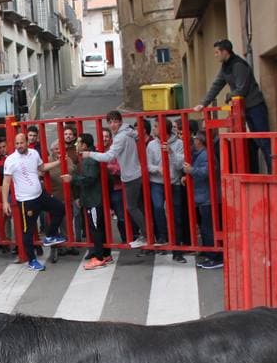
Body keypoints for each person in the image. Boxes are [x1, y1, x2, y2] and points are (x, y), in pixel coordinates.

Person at [192, 38, 270, 173]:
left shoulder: (238, 65)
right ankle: (269, 172)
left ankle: (274, 172)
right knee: (258, 140)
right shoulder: (225, 67)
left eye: (217, 52)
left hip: (256, 106)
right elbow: (216, 85)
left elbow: (242, 89)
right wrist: (203, 103)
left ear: (225, 52)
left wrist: (228, 96)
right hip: (247, 108)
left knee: (265, 141)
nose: (215, 55)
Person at [0, 132, 68, 272]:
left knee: (59, 208)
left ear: (26, 142)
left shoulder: (34, 154)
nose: (19, 146)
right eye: (17, 143)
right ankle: (31, 260)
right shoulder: (11, 160)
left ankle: (49, 235)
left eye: (21, 142)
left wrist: (59, 162)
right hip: (26, 201)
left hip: (40, 194)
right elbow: (6, 183)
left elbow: (42, 168)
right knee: (28, 231)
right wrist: (5, 202)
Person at [86, 109, 147, 248]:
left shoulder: (120, 137)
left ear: (120, 122)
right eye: (110, 122)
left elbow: (109, 156)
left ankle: (146, 235)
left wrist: (90, 154)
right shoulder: (129, 133)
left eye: (115, 121)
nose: (113, 124)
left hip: (131, 176)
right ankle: (146, 234)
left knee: (132, 208)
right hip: (133, 174)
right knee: (137, 207)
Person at [146, 119, 189, 261]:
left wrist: (171, 153)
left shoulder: (179, 144)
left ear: (165, 129)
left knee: (176, 214)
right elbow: (147, 165)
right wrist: (157, 169)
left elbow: (180, 166)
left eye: (156, 126)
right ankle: (163, 235)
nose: (154, 129)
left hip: (174, 182)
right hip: (157, 182)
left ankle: (177, 248)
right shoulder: (152, 145)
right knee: (158, 207)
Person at [72, 134, 112, 270]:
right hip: (94, 198)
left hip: (93, 199)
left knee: (95, 228)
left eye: (78, 143)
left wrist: (72, 179)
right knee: (99, 227)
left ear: (84, 145)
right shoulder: (92, 155)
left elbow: (89, 179)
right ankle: (105, 254)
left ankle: (99, 258)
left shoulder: (89, 159)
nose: (76, 145)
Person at [188, 128, 222, 269]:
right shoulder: (201, 154)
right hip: (204, 196)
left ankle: (216, 256)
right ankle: (210, 253)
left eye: (196, 138)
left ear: (201, 141)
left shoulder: (206, 155)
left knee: (209, 228)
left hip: (208, 197)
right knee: (206, 227)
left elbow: (206, 172)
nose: (194, 140)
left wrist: (191, 171)